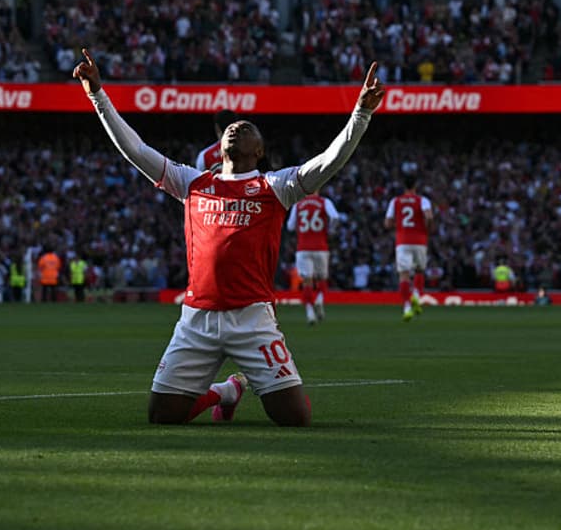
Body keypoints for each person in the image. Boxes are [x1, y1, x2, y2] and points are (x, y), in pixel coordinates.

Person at [75, 48, 383, 427]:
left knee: (294, 418)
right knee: (162, 415)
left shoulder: (275, 186)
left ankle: (239, 388)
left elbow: (328, 161)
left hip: (252, 318)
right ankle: (226, 391)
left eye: (247, 127)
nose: (237, 126)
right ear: (220, 146)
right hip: (197, 319)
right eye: (232, 127)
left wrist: (361, 114)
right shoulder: (193, 182)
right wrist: (97, 96)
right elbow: (136, 150)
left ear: (260, 151)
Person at [286, 188, 341, 325]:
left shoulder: (298, 204)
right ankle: (319, 300)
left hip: (303, 248)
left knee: (307, 281)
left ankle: (310, 313)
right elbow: (335, 217)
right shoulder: (324, 202)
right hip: (321, 247)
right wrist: (331, 229)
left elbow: (290, 226)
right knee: (322, 278)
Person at [386, 174, 434, 322]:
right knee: (419, 270)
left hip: (402, 241)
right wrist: (426, 228)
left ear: (404, 186)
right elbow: (429, 216)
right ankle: (417, 296)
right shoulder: (423, 200)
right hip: (419, 240)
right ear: (415, 185)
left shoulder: (395, 201)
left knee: (404, 274)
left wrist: (398, 225)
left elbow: (387, 223)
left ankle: (406, 307)